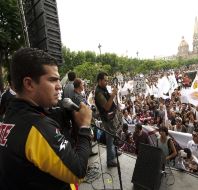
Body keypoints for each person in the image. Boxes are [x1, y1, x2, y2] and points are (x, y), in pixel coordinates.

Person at [0, 48, 92, 190]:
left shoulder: (10, 114)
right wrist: (85, 126)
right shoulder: (37, 128)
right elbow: (78, 172)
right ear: (29, 84)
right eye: (52, 80)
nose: (59, 86)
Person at [94, 72, 121, 167]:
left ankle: (113, 152)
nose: (106, 82)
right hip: (106, 118)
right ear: (99, 80)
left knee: (113, 134)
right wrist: (113, 95)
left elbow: (106, 96)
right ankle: (110, 160)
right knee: (109, 137)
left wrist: (111, 93)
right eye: (105, 80)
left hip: (111, 116)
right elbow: (106, 107)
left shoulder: (103, 88)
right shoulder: (98, 92)